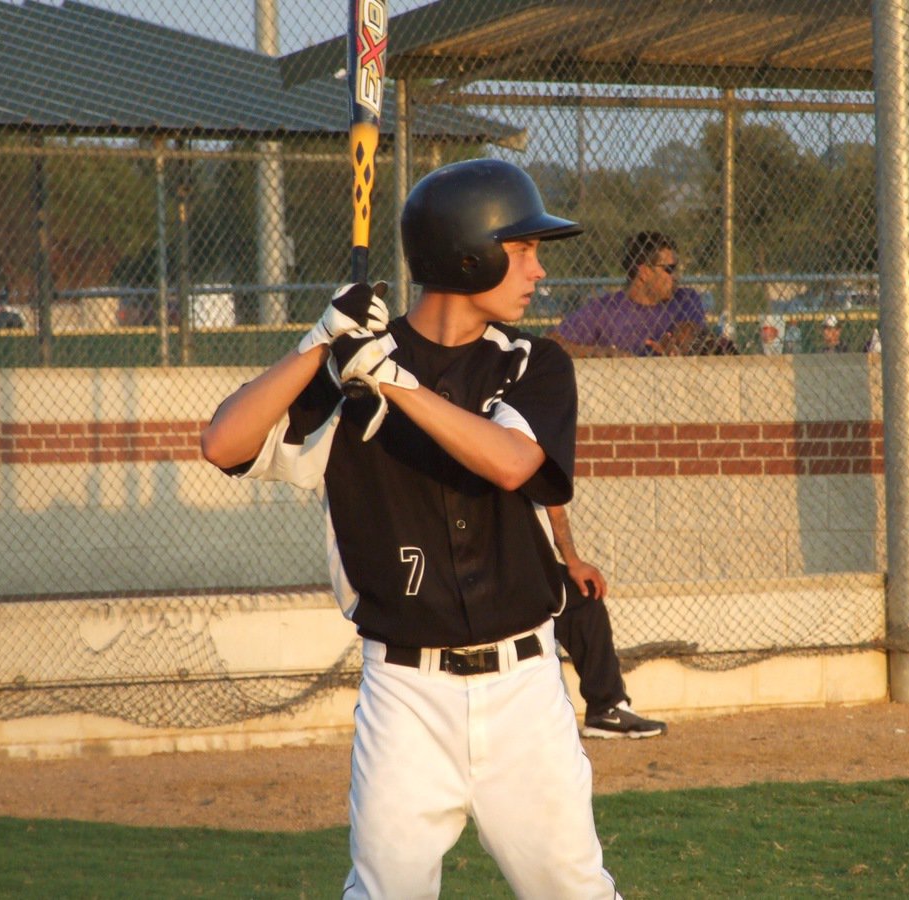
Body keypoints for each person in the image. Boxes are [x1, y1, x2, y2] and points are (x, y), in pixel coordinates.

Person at [200, 159, 619, 897]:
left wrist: (393, 382)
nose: (538, 270)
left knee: (574, 890)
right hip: (403, 695)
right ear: (469, 253)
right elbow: (223, 444)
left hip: (524, 690)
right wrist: (319, 343)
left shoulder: (533, 363)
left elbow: (514, 462)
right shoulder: (347, 370)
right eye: (521, 250)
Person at [546, 505, 667, 739]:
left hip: (524, 569)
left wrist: (573, 562)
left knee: (583, 594)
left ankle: (606, 709)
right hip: (483, 574)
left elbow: (553, 504)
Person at [547, 230, 731, 357]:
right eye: (669, 269)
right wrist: (601, 352)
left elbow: (690, 330)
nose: (676, 277)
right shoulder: (605, 309)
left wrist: (679, 343)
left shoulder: (686, 299)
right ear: (643, 272)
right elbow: (552, 342)